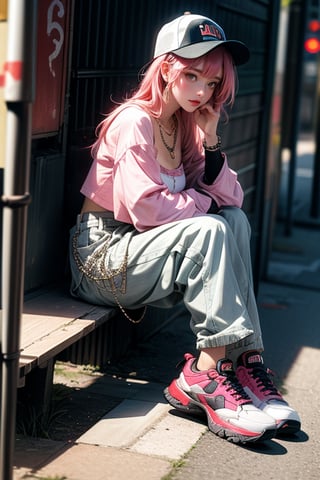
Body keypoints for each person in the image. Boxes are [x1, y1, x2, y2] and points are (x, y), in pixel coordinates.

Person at [69, 12, 301, 444]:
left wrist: (211, 143)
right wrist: (203, 202)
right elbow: (147, 210)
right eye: (192, 75)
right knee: (211, 227)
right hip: (101, 258)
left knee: (232, 221)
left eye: (212, 83)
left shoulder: (184, 125)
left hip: (143, 252)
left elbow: (232, 200)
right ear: (165, 67)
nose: (201, 91)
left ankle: (244, 362)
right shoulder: (134, 121)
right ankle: (207, 375)